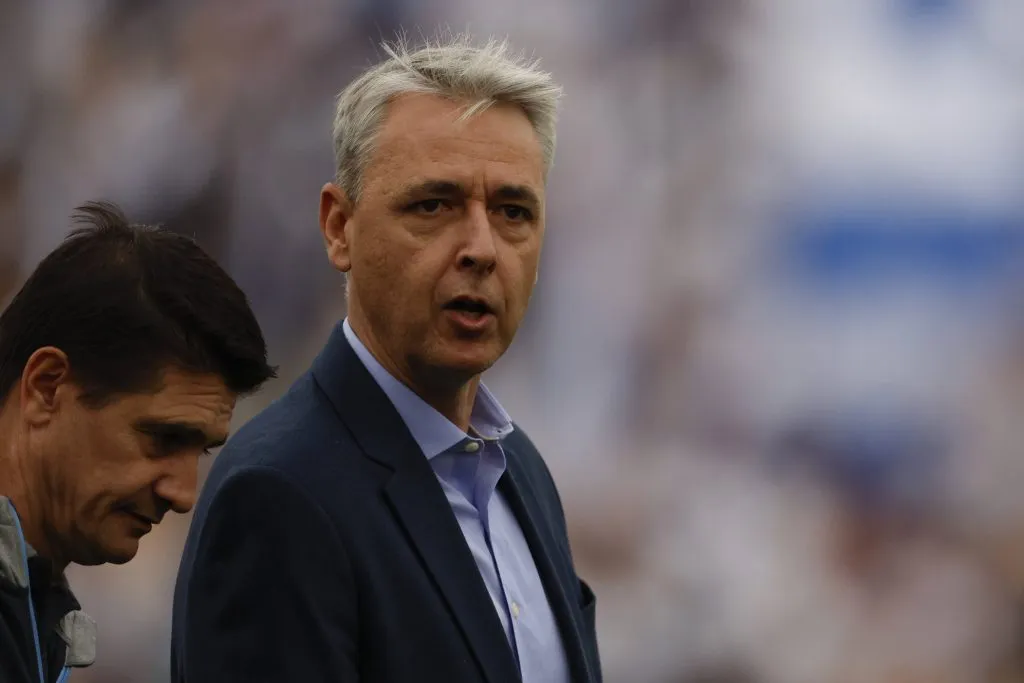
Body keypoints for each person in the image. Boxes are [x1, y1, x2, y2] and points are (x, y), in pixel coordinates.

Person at [171, 36, 602, 683]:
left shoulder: (523, 473)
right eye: (434, 205)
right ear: (339, 227)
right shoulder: (279, 496)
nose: (482, 248)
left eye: (513, 211)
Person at [0, 202, 275, 683]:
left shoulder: (34, 604)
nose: (184, 494)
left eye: (202, 450)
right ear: (46, 387)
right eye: (164, 438)